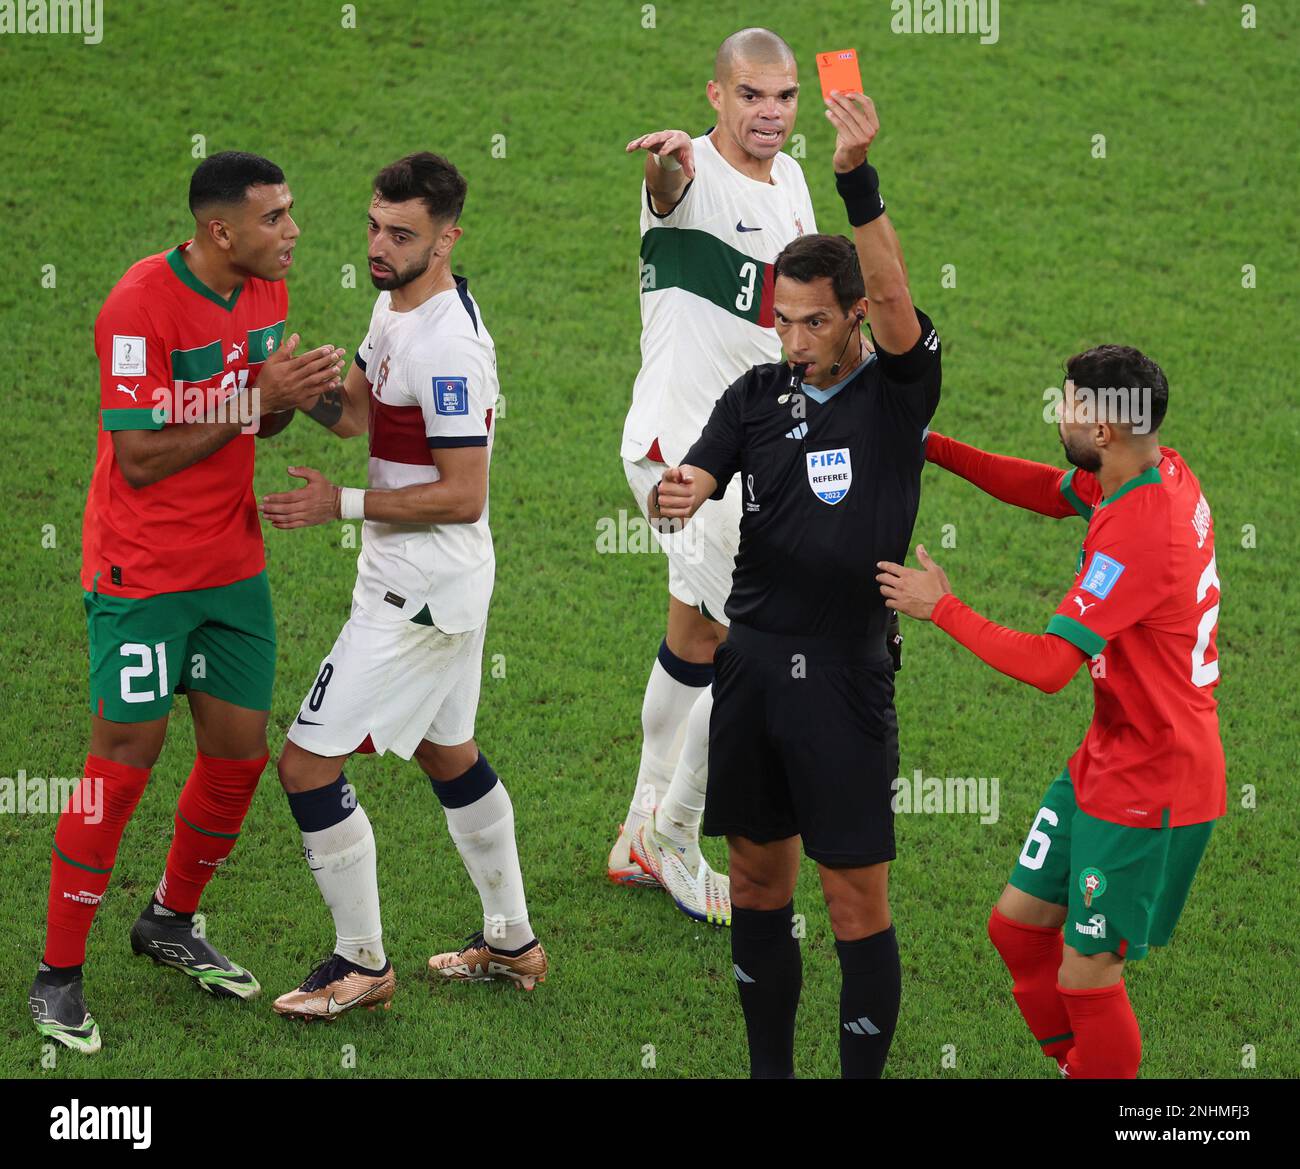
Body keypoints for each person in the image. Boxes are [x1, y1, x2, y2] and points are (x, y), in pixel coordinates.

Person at [28, 151, 345, 1054]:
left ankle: (170, 916)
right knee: (124, 762)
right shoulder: (138, 307)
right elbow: (139, 457)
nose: (292, 232)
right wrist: (254, 399)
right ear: (220, 231)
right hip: (142, 574)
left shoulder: (265, 288)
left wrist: (286, 397)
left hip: (231, 568)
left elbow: (266, 416)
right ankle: (58, 974)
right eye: (276, 217)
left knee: (238, 756)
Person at [652, 92, 941, 1078]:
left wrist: (857, 179)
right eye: (782, 319)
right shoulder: (755, 394)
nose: (792, 338)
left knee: (855, 896)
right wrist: (681, 488)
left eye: (812, 321)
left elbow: (902, 304)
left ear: (855, 316)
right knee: (755, 880)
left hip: (849, 680)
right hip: (753, 669)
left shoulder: (897, 393)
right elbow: (698, 472)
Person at [878, 347, 1224, 1079]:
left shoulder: (1143, 532)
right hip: (1111, 755)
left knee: (1087, 975)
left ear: (1104, 429)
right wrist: (930, 445)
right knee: (1017, 928)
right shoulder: (1148, 469)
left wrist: (941, 607)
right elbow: (1045, 487)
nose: (1057, 412)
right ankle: (1083, 1067)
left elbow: (1046, 667)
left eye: (1067, 403)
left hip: (1154, 783)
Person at [260, 152, 546, 1019]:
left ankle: (361, 963)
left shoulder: (448, 345)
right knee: (445, 749)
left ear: (448, 238)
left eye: (402, 234)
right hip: (431, 584)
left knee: (306, 766)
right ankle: (511, 942)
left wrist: (337, 503)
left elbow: (465, 492)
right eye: (375, 227)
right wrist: (295, 384)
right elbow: (353, 413)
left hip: (416, 595)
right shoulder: (395, 303)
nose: (380, 247)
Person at [614, 26, 818, 926]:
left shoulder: (794, 178)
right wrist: (664, 166)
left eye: (782, 97)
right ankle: (676, 833)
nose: (768, 114)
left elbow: (800, 315)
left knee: (698, 634)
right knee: (760, 645)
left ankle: (636, 831)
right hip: (683, 457)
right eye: (750, 96)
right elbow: (669, 187)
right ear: (715, 96)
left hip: (745, 453)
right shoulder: (686, 174)